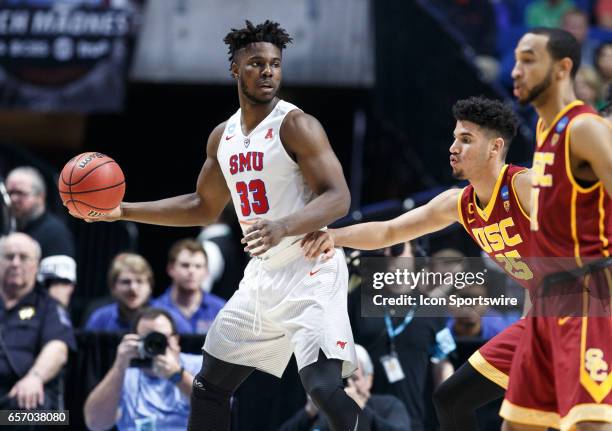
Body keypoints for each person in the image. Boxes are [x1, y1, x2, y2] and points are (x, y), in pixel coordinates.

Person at [68, 20, 360, 431]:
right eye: (256, 63)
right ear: (235, 70)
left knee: (323, 388)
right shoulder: (222, 137)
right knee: (208, 388)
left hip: (311, 269)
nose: (268, 71)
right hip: (262, 276)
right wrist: (123, 210)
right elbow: (202, 206)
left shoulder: (297, 125)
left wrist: (284, 226)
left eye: (275, 64)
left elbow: (339, 197)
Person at [301, 96, 534, 430]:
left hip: (581, 315)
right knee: (451, 399)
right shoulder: (459, 203)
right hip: (537, 323)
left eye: (466, 140)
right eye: (455, 137)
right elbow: (390, 230)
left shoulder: (523, 186)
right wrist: (334, 237)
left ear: (495, 147)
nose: (454, 147)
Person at [501, 27, 612, 431]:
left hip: (585, 297)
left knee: (590, 425)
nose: (516, 70)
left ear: (563, 68)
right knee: (517, 425)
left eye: (529, 60)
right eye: (515, 59)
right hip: (546, 301)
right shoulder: (547, 131)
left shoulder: (585, 129)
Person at [84, 307, 201, 431]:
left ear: (175, 339)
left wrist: (178, 375)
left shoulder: (198, 365)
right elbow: (95, 423)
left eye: (161, 338)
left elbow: (219, 409)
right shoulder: (124, 374)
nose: (155, 345)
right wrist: (119, 366)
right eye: (149, 339)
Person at [0, 233, 76, 412]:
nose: (15, 263)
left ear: (36, 265)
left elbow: (58, 349)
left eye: (23, 257)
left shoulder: (49, 307)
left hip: (25, 399)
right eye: (9, 257)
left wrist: (35, 377)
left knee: (40, 415)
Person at [278, 344, 411, 431]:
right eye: (343, 380)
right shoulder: (329, 410)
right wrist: (308, 412)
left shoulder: (389, 405)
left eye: (354, 378)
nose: (348, 385)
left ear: (369, 379)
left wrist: (362, 410)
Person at [6, 167, 77, 306]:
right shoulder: (8, 228)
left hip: (36, 319)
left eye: (20, 193)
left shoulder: (55, 233)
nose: (13, 199)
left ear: (40, 197)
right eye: (9, 193)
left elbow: (60, 293)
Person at [85, 253, 189, 333]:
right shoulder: (100, 318)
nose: (133, 288)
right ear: (113, 287)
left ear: (150, 286)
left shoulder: (170, 317)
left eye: (140, 281)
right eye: (126, 282)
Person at [152, 238, 225, 334]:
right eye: (185, 265)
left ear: (206, 272)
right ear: (170, 269)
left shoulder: (221, 310)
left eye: (198, 266)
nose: (191, 271)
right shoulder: (155, 310)